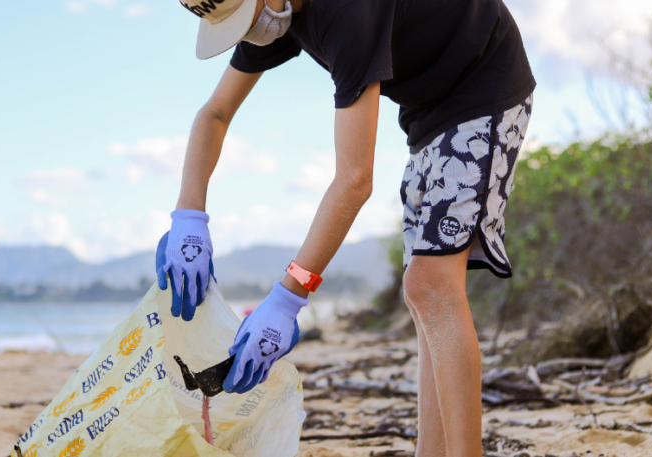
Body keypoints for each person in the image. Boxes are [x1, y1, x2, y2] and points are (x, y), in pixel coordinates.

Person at [155, 0, 535, 454]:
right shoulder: (277, 16)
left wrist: (288, 296)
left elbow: (354, 180)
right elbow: (215, 113)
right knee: (422, 292)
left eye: (245, 16)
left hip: (484, 81)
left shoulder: (347, 11)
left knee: (432, 285)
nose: (249, 31)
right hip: (428, 111)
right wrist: (188, 214)